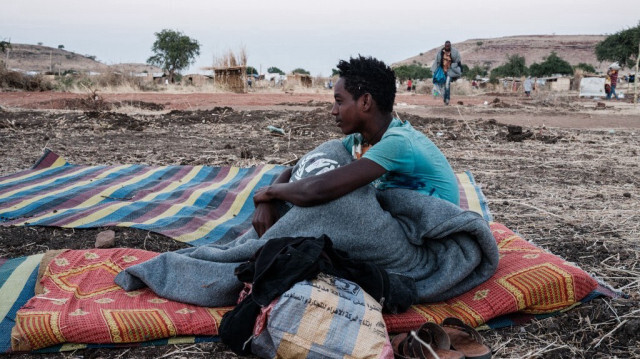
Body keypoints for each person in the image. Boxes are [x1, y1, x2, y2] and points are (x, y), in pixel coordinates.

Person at [252, 55, 460, 237]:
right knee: (331, 155)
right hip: (400, 226)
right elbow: (299, 170)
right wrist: (267, 200)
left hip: (428, 235)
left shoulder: (398, 142)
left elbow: (319, 189)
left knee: (335, 203)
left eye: (339, 102)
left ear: (365, 102)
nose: (334, 111)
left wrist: (271, 192)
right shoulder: (360, 140)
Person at [433, 41, 462, 105]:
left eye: (448, 46)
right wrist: (435, 71)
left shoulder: (454, 53)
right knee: (443, 86)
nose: (447, 47)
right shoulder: (441, 53)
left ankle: (447, 99)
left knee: (447, 85)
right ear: (444, 45)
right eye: (446, 46)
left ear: (450, 46)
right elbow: (437, 62)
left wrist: (459, 69)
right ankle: (444, 98)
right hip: (442, 72)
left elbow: (458, 62)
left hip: (450, 72)